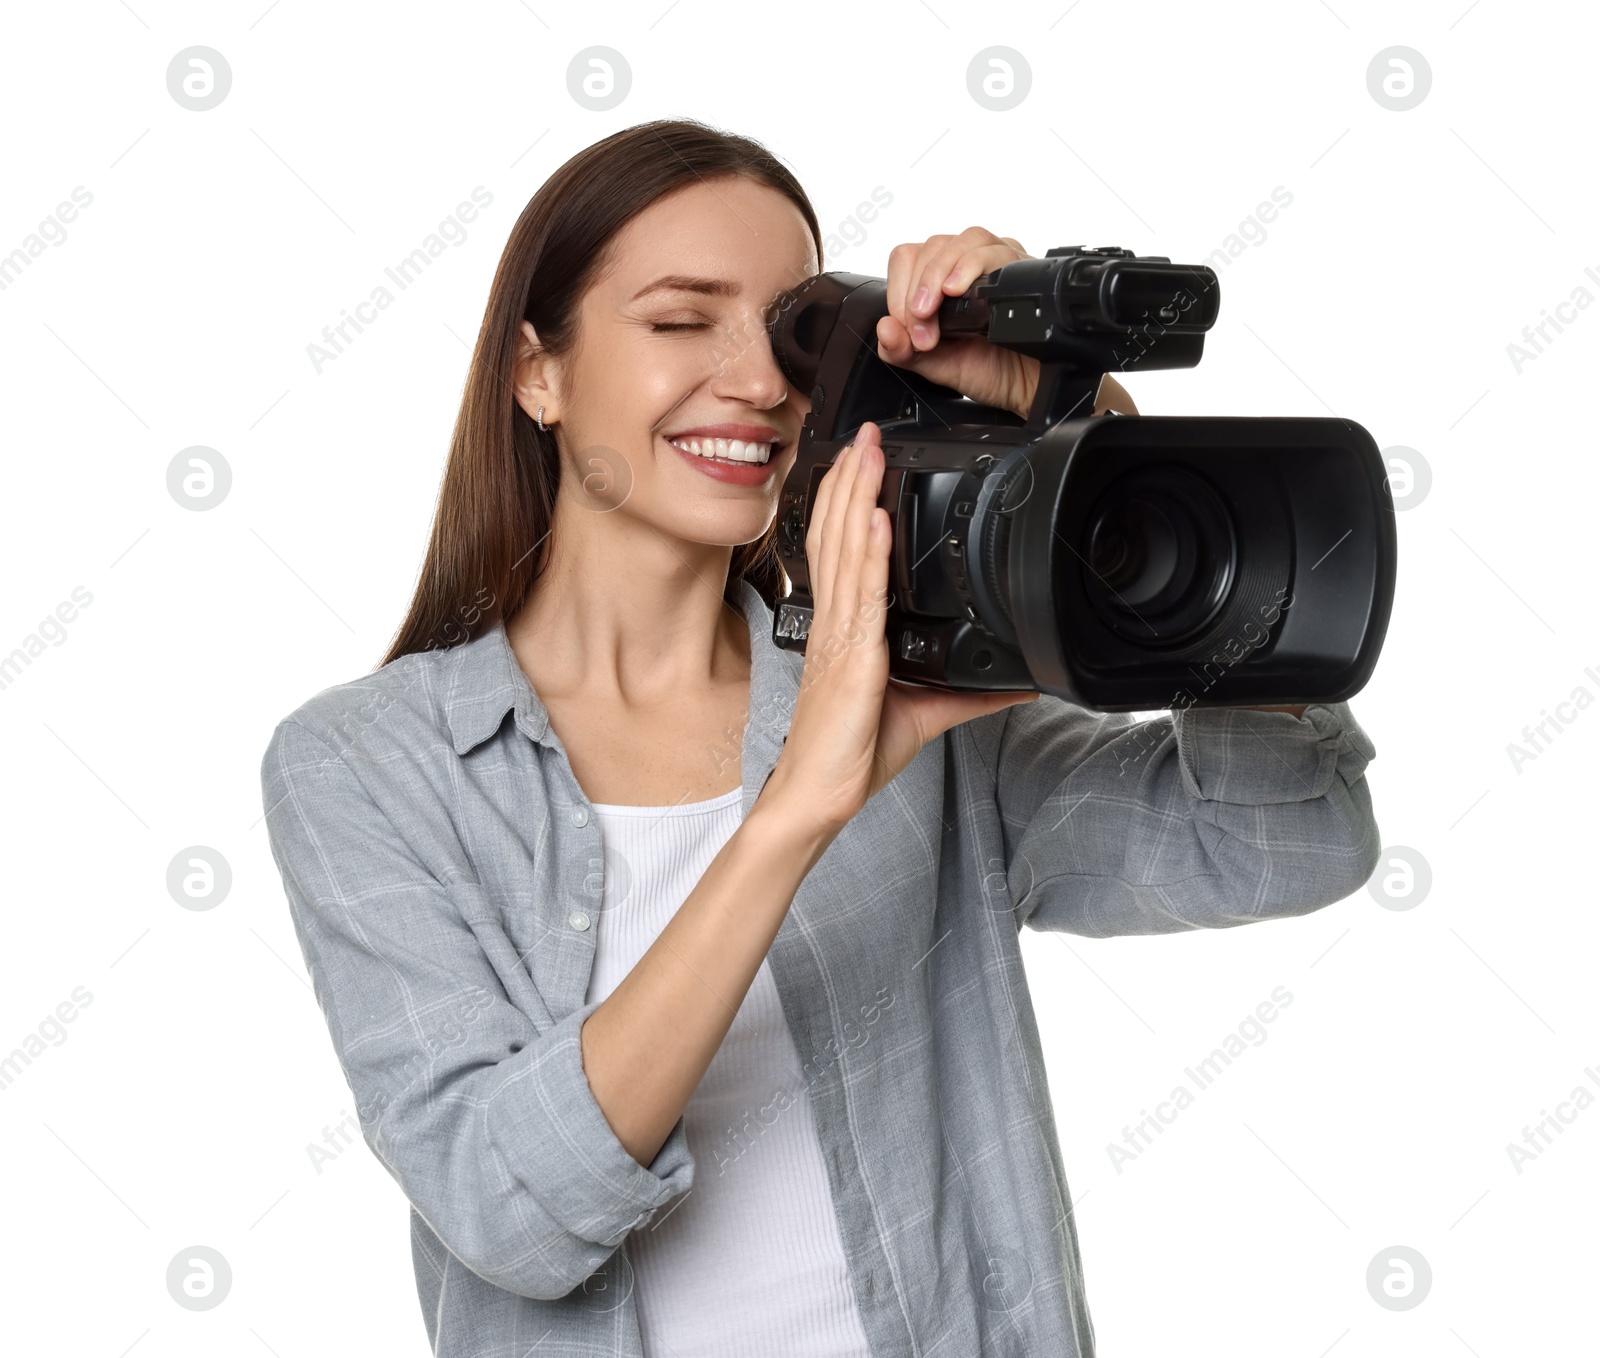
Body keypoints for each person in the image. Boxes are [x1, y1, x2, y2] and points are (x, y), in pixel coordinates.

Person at [260, 118, 1381, 1358]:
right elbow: (506, 1211)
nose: (753, 382)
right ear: (538, 370)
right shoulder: (364, 766)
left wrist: (1091, 445)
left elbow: (1283, 843)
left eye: (792, 332)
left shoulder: (919, 692)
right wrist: (797, 805)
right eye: (682, 321)